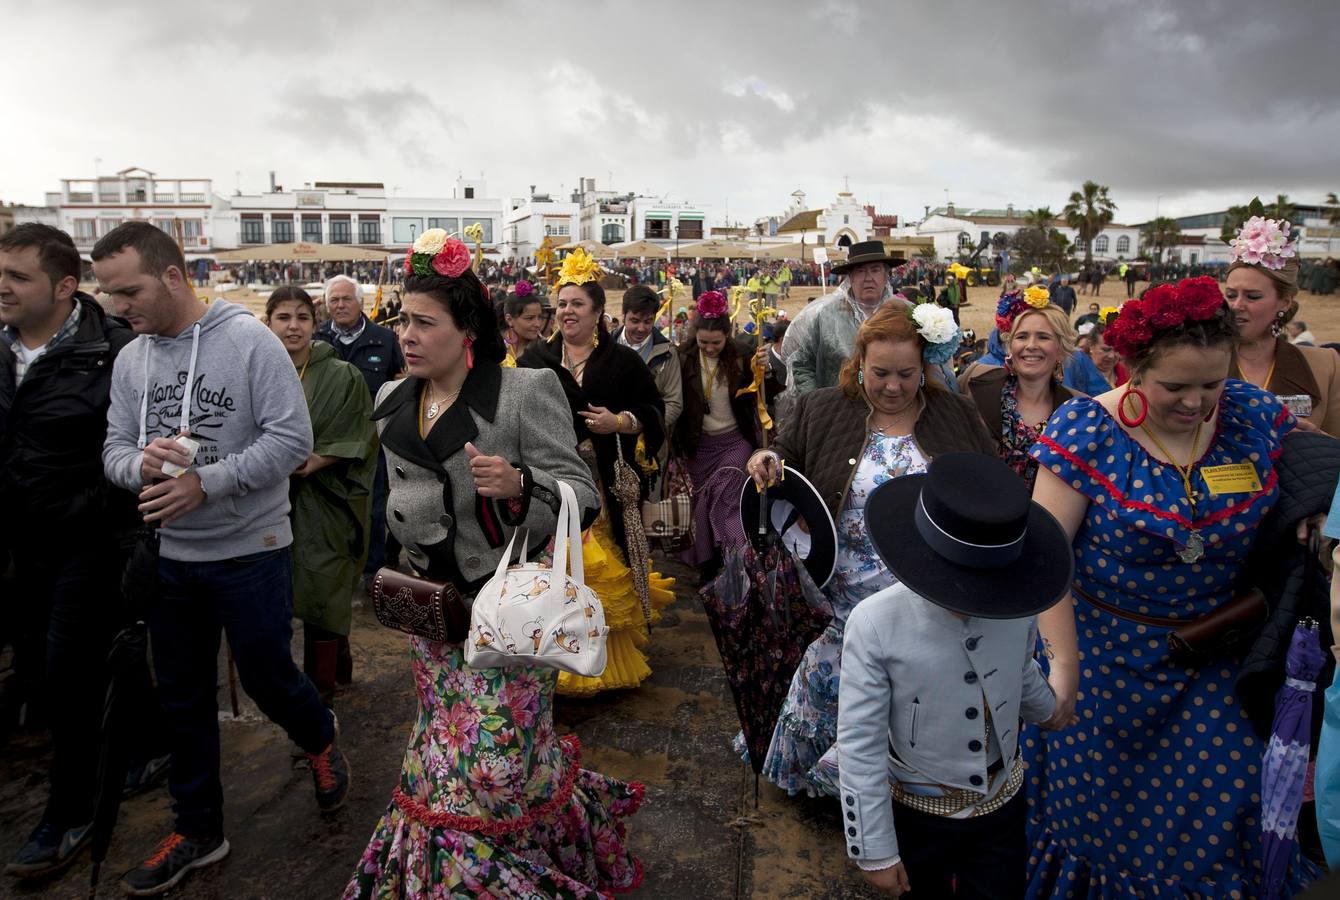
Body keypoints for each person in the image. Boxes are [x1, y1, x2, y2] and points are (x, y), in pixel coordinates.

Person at [346, 232, 642, 897]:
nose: (408, 335)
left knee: (498, 767)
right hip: (433, 619)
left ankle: (505, 870)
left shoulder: (522, 391)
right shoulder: (393, 400)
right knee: (448, 759)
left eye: (425, 322)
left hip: (508, 619)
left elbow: (583, 496)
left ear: (467, 329)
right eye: (402, 319)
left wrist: (520, 484)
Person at [1025, 275, 1318, 896]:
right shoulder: (1087, 431)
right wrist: (1064, 664)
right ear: (1130, 368)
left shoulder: (1250, 416)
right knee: (1100, 824)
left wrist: (1313, 508)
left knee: (1232, 795)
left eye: (1212, 384)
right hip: (1102, 663)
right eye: (1176, 386)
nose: (1197, 403)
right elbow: (1046, 559)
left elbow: (1319, 466)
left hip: (1214, 654)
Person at [97, 222, 346, 896]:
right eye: (110, 294)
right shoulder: (130, 359)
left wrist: (207, 481)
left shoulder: (247, 342)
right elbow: (114, 448)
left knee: (268, 677)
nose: (121, 306)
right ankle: (199, 827)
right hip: (171, 557)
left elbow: (292, 441)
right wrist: (136, 466)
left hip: (251, 550)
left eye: (130, 290)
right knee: (181, 694)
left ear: (173, 276)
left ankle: (319, 733)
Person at [743, 302, 995, 795]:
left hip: (927, 602)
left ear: (925, 368)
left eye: (907, 373)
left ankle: (891, 793)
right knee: (836, 691)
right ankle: (826, 787)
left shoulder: (955, 415)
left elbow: (988, 487)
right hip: (841, 598)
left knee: (907, 706)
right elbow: (783, 456)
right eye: (880, 373)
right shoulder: (822, 409)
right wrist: (765, 459)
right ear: (858, 363)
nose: (894, 386)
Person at [837, 453, 1069, 899]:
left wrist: (1049, 708)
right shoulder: (875, 622)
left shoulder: (1016, 605)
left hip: (1001, 806)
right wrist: (875, 851)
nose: (974, 599)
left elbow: (1018, 670)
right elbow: (859, 743)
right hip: (918, 815)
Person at [0, 225, 140, 878]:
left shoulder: (115, 354)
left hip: (84, 546)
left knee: (68, 676)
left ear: (63, 286)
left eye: (18, 276)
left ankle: (71, 810)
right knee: (32, 674)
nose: (2, 286)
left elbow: (133, 453)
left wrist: (93, 518)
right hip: (16, 546)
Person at [518, 249, 674, 696]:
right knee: (552, 567)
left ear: (598, 312)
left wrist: (619, 423)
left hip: (603, 484)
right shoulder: (535, 360)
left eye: (577, 304)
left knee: (601, 567)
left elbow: (653, 410)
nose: (567, 311)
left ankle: (602, 664)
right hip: (550, 482)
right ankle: (552, 658)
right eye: (562, 304)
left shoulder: (623, 362)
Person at [264, 286, 377, 706]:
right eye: (283, 318)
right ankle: (330, 667)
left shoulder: (341, 375)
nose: (293, 326)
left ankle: (322, 692)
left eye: (302, 318)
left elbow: (360, 433)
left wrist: (316, 460)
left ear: (315, 324)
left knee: (323, 588)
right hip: (267, 502)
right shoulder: (255, 371)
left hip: (324, 499)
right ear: (268, 323)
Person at [315, 274, 405, 581]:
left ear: (361, 302)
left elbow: (398, 382)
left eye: (346, 299)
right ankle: (337, 570)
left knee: (374, 508)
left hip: (372, 441)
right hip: (327, 444)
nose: (340, 305)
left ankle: (371, 572)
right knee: (332, 509)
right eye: (334, 300)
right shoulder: (317, 340)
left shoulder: (385, 338)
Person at [673, 291, 761, 579]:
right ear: (694, 336)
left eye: (716, 343)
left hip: (735, 441)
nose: (709, 349)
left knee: (725, 495)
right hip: (698, 446)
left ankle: (739, 559)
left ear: (728, 336)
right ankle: (708, 564)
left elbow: (765, 394)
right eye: (703, 343)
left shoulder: (743, 355)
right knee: (700, 507)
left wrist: (766, 372)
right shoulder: (683, 357)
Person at [1224, 218, 1340, 437]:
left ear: (1285, 302)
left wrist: (1319, 443)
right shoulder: (1200, 361)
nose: (1237, 306)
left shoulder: (1324, 365)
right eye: (1231, 295)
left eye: (1253, 296)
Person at [959, 287, 1080, 489]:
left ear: (1060, 349)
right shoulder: (975, 378)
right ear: (1010, 346)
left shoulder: (1077, 410)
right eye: (1022, 336)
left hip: (1042, 517)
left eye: (1043, 337)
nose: (1031, 345)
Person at [782, 240, 907, 396]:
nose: (868, 278)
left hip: (893, 408)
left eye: (875, 270)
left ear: (886, 275)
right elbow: (802, 364)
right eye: (860, 271)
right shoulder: (826, 315)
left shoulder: (906, 314)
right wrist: (816, 401)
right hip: (838, 412)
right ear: (850, 278)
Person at [614, 283, 684, 457]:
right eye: (635, 321)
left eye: (648, 321)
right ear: (623, 316)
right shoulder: (604, 346)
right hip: (609, 441)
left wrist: (642, 424)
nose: (641, 328)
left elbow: (674, 403)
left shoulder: (667, 353)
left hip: (649, 446)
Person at [500, 280, 543, 366]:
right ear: (509, 319)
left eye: (540, 317)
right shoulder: (495, 348)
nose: (538, 324)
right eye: (530, 318)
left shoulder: (545, 350)